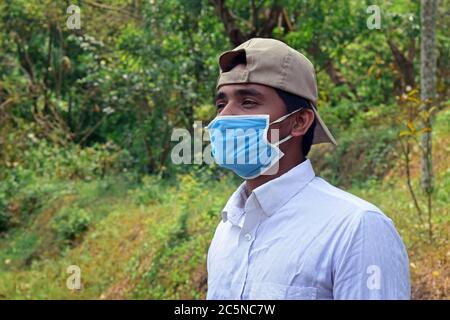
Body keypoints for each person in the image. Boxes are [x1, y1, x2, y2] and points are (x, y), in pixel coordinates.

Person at [205, 38, 410, 300]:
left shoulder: (357, 228)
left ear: (299, 121)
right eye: (221, 104)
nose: (223, 117)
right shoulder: (228, 226)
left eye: (248, 102)